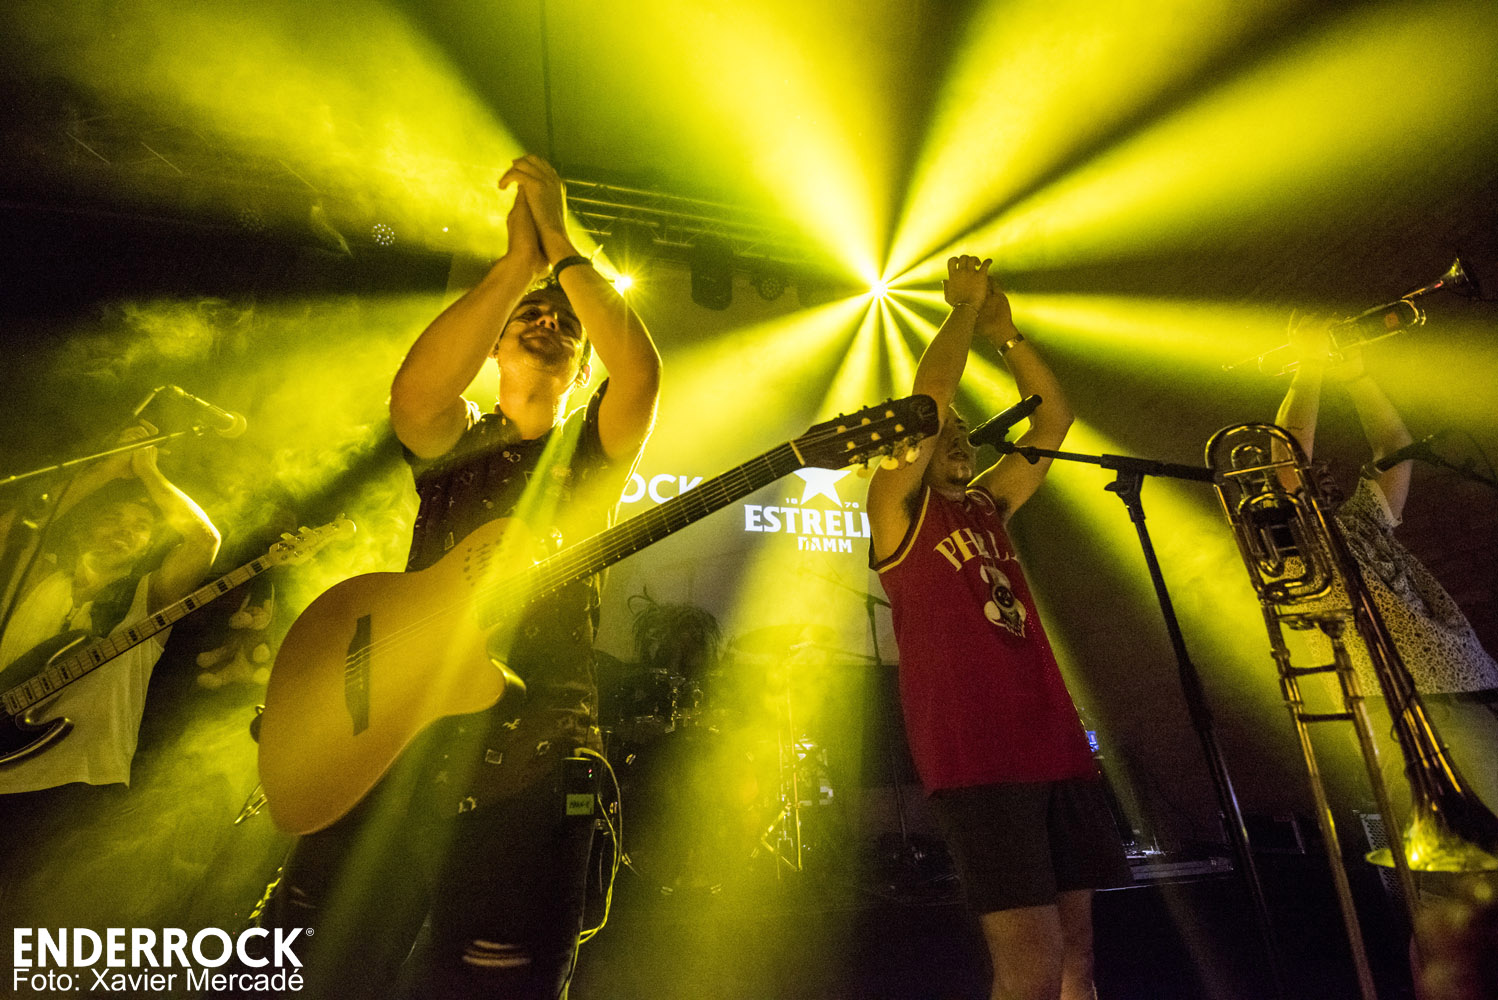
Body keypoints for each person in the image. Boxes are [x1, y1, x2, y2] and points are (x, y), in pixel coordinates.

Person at [260, 154, 660, 1000]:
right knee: (315, 968)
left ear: (582, 364)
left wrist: (561, 245)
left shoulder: (593, 449)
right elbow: (412, 397)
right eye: (528, 317)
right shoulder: (458, 439)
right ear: (495, 346)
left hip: (531, 755)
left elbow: (642, 374)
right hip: (390, 742)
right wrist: (515, 267)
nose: (547, 321)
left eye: (565, 322)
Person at [865, 255, 1128, 1000]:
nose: (956, 439)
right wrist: (962, 308)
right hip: (979, 757)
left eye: (962, 434)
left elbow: (1054, 421)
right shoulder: (898, 513)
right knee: (1031, 969)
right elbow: (930, 401)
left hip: (1053, 744)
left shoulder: (988, 504)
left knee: (1078, 962)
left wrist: (1006, 335)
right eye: (942, 434)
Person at [1275, 318, 1498, 832]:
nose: (1322, 472)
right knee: (1467, 852)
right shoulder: (1291, 542)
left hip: (1469, 684)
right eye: (1312, 472)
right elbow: (1286, 457)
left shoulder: (1359, 521)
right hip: (1401, 700)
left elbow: (1396, 447)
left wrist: (1357, 375)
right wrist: (1309, 364)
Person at [0, 423, 220, 927]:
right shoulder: (34, 576)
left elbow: (203, 539)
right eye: (113, 518)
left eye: (140, 526)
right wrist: (106, 470)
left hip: (79, 783)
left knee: (30, 925)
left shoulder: (147, 600)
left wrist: (148, 472)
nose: (124, 529)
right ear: (85, 528)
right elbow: (13, 526)